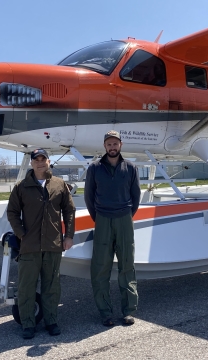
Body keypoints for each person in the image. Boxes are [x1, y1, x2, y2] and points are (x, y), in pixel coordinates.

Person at [7, 148, 75, 339]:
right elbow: (12, 212)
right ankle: (28, 324)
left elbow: (69, 211)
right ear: (31, 163)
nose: (39, 162)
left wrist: (69, 236)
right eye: (36, 159)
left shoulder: (59, 185)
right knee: (26, 287)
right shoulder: (21, 187)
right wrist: (21, 234)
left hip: (53, 245)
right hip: (29, 247)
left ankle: (51, 321)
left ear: (48, 161)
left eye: (43, 159)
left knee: (51, 286)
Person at [84, 130, 141, 326]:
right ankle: (105, 312)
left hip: (124, 218)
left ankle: (128, 311)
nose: (112, 147)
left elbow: (136, 197)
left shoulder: (131, 168)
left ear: (120, 145)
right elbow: (89, 197)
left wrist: (126, 215)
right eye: (109, 144)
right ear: (104, 146)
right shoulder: (94, 168)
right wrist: (98, 217)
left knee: (127, 265)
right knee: (100, 267)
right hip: (102, 219)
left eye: (115, 143)